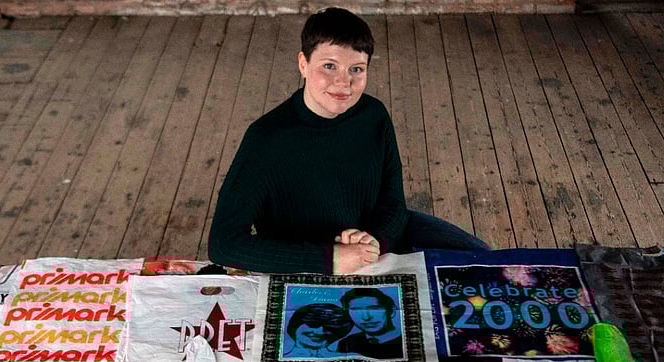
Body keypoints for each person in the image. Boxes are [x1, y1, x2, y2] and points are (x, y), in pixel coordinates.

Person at [208, 7, 488, 275]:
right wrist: (331, 258)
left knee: (490, 262)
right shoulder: (265, 139)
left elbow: (393, 204)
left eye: (356, 69)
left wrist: (375, 242)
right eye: (329, 66)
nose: (343, 83)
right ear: (303, 64)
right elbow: (224, 244)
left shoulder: (374, 116)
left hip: (376, 243)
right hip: (307, 259)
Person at [336, 287, 402, 359]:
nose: (366, 317)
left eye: (374, 309)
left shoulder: (406, 341)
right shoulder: (347, 342)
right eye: (356, 310)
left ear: (392, 311)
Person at [283, 303, 355, 358]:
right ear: (296, 324)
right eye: (313, 325)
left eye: (329, 328)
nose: (319, 332)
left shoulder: (349, 358)